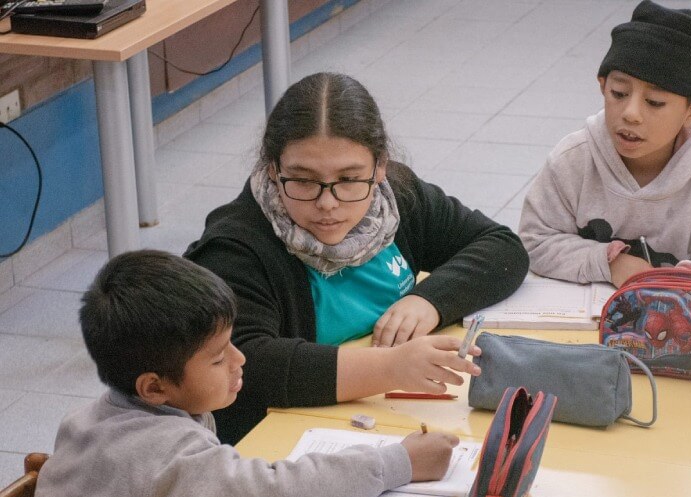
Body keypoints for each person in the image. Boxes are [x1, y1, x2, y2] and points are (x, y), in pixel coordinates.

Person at [185, 72, 529, 444]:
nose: (327, 203)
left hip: (378, 417)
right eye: (303, 180)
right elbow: (248, 363)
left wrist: (429, 301)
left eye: (349, 179)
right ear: (273, 168)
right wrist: (390, 368)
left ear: (379, 166)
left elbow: (502, 247)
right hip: (280, 437)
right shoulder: (234, 248)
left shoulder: (396, 199)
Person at [32, 250, 460, 497]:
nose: (240, 359)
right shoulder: (159, 452)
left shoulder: (106, 412)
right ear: (154, 387)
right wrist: (397, 463)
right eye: (218, 358)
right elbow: (274, 494)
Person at [518, 0, 691, 288]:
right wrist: (609, 264)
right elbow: (536, 241)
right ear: (603, 86)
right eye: (619, 93)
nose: (630, 114)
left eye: (654, 102)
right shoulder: (573, 159)